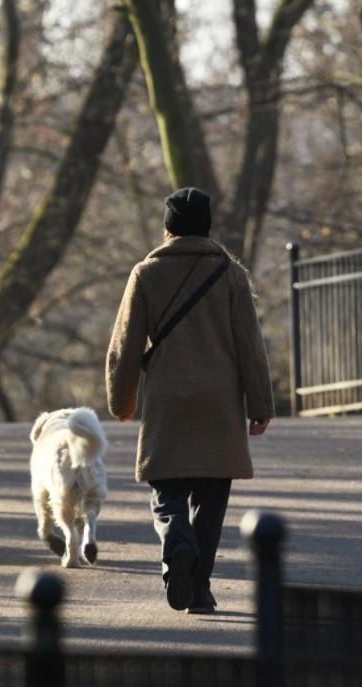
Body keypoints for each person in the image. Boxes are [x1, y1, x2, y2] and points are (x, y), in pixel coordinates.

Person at [106, 187, 274, 614]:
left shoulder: (145, 274)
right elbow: (250, 346)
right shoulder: (230, 274)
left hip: (168, 402)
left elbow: (123, 347)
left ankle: (176, 542)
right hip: (220, 404)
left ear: (168, 229)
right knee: (212, 499)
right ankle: (198, 589)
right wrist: (261, 404)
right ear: (208, 226)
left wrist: (121, 401)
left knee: (167, 491)